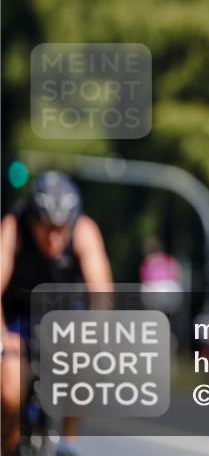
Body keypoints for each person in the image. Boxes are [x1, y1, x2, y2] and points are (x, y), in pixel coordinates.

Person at [0, 171, 113, 456]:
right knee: (10, 393)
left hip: (65, 319)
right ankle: (8, 443)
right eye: (45, 226)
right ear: (33, 218)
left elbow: (102, 294)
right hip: (18, 320)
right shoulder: (14, 226)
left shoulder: (85, 230)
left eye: (60, 229)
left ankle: (68, 443)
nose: (53, 237)